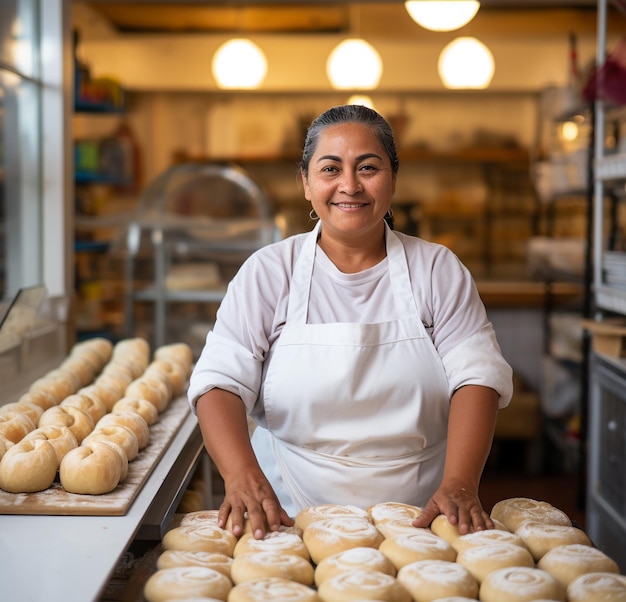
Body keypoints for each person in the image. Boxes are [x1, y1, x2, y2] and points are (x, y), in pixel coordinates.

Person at [188, 104, 513, 541]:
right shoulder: (269, 271)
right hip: (286, 514)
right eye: (330, 168)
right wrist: (242, 474)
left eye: (368, 167)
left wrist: (459, 482)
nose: (349, 185)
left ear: (393, 179)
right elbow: (220, 382)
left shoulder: (437, 269)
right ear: (306, 183)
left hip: (421, 517)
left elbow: (478, 376)